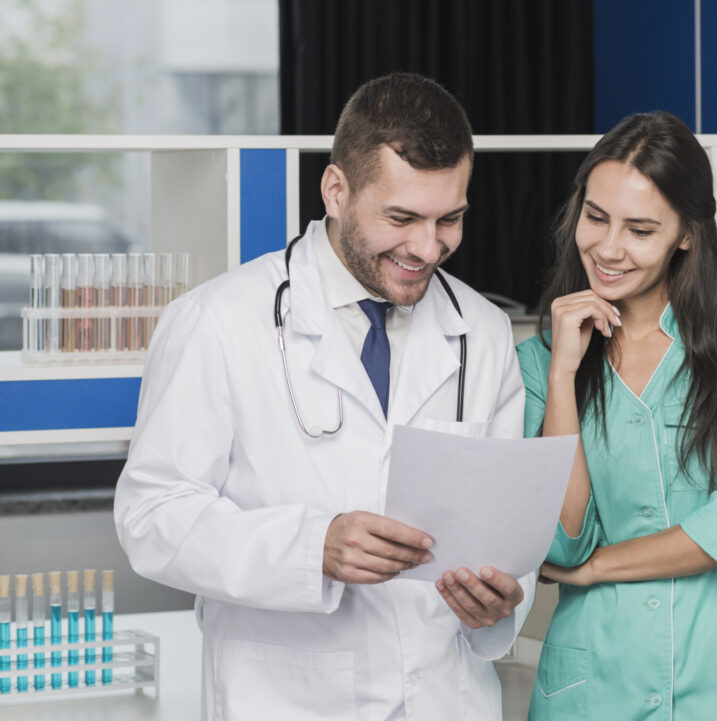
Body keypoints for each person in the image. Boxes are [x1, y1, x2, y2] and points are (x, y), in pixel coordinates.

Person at [114, 73, 534, 721]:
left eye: (449, 219)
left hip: (444, 698)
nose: (428, 247)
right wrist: (313, 547)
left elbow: (506, 529)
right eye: (402, 218)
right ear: (336, 190)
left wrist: (501, 602)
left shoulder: (481, 330)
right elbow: (152, 517)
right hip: (286, 699)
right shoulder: (219, 321)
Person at [517, 112, 717, 720]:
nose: (607, 248)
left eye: (640, 229)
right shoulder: (540, 361)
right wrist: (562, 377)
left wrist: (602, 567)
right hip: (600, 681)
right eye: (596, 217)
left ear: (686, 233)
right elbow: (560, 544)